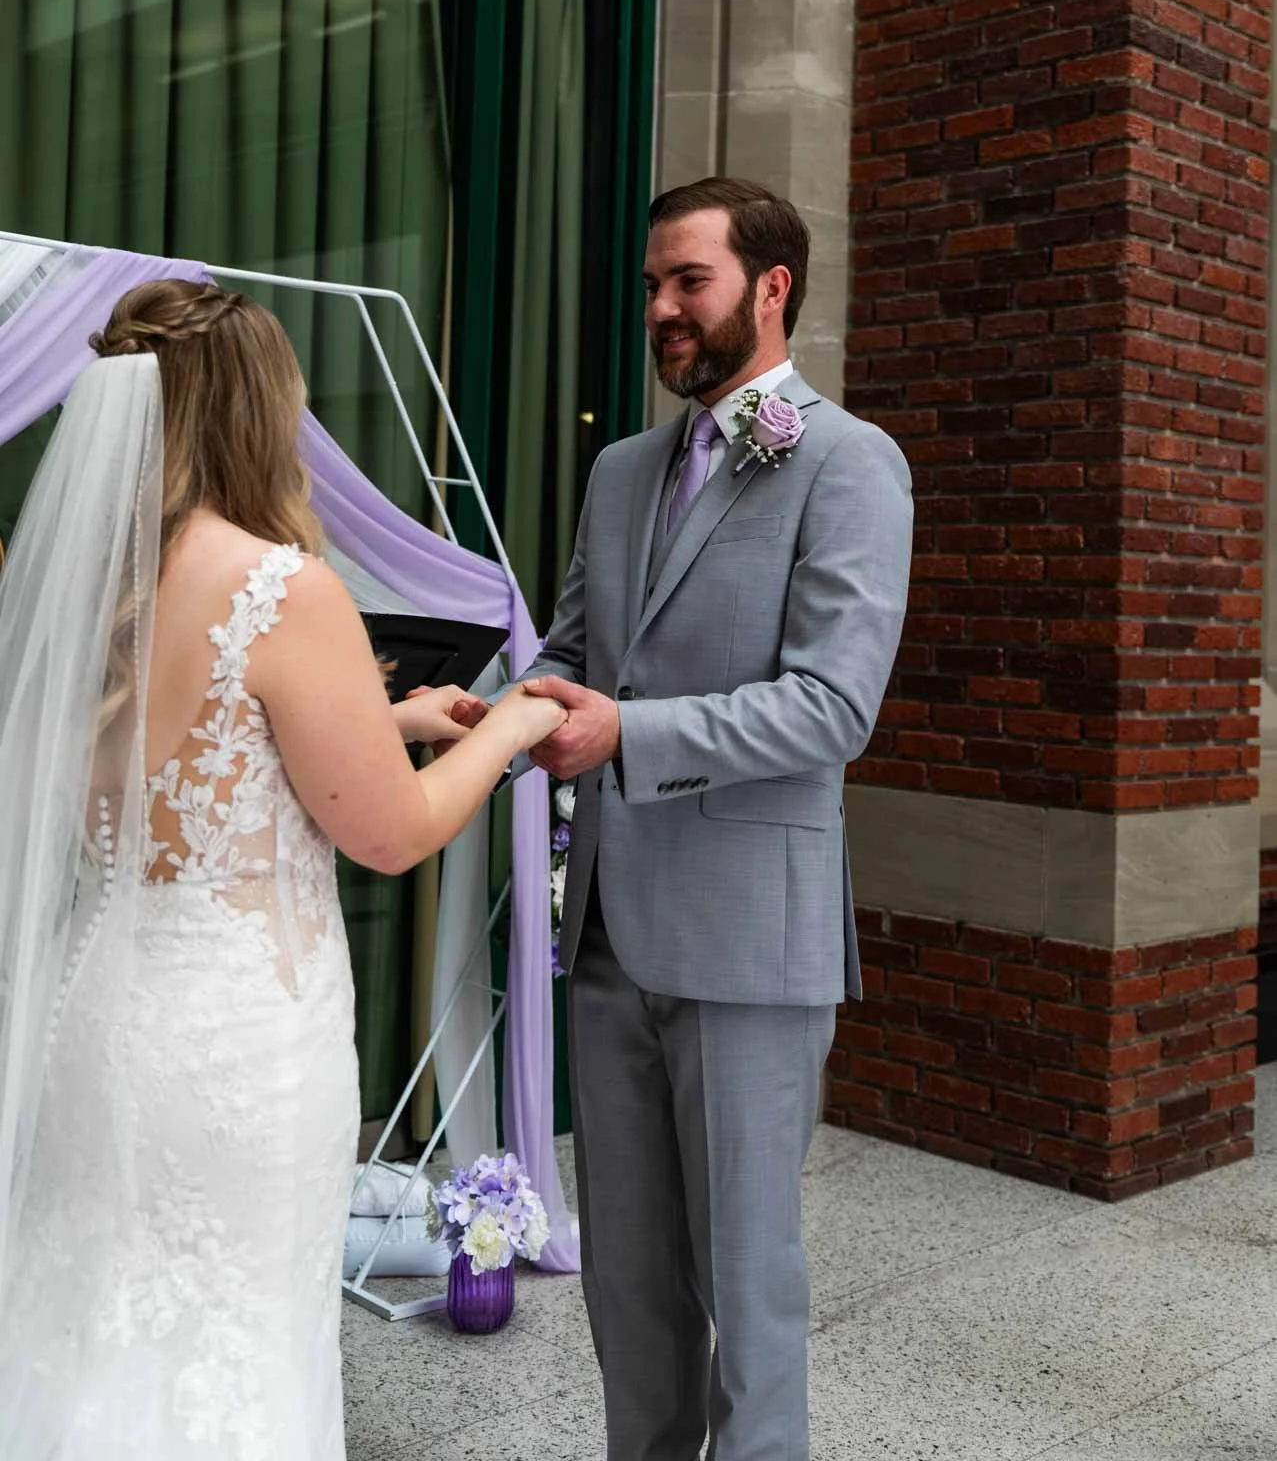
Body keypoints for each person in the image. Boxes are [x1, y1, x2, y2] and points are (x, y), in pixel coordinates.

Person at [0, 278, 564, 1461]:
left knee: (91, 1321)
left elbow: (192, 759)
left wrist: (391, 717)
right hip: (235, 1048)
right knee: (236, 1334)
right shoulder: (279, 586)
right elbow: (393, 834)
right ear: (259, 416)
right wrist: (510, 728)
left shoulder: (87, 592)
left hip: (95, 1019)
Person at [456, 178, 914, 1460]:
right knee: (628, 1288)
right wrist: (466, 717)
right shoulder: (618, 469)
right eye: (651, 284)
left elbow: (831, 706)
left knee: (745, 1291)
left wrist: (628, 735)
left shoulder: (848, 462)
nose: (658, 308)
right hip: (604, 937)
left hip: (748, 948)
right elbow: (569, 659)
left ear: (770, 290)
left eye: (687, 283)